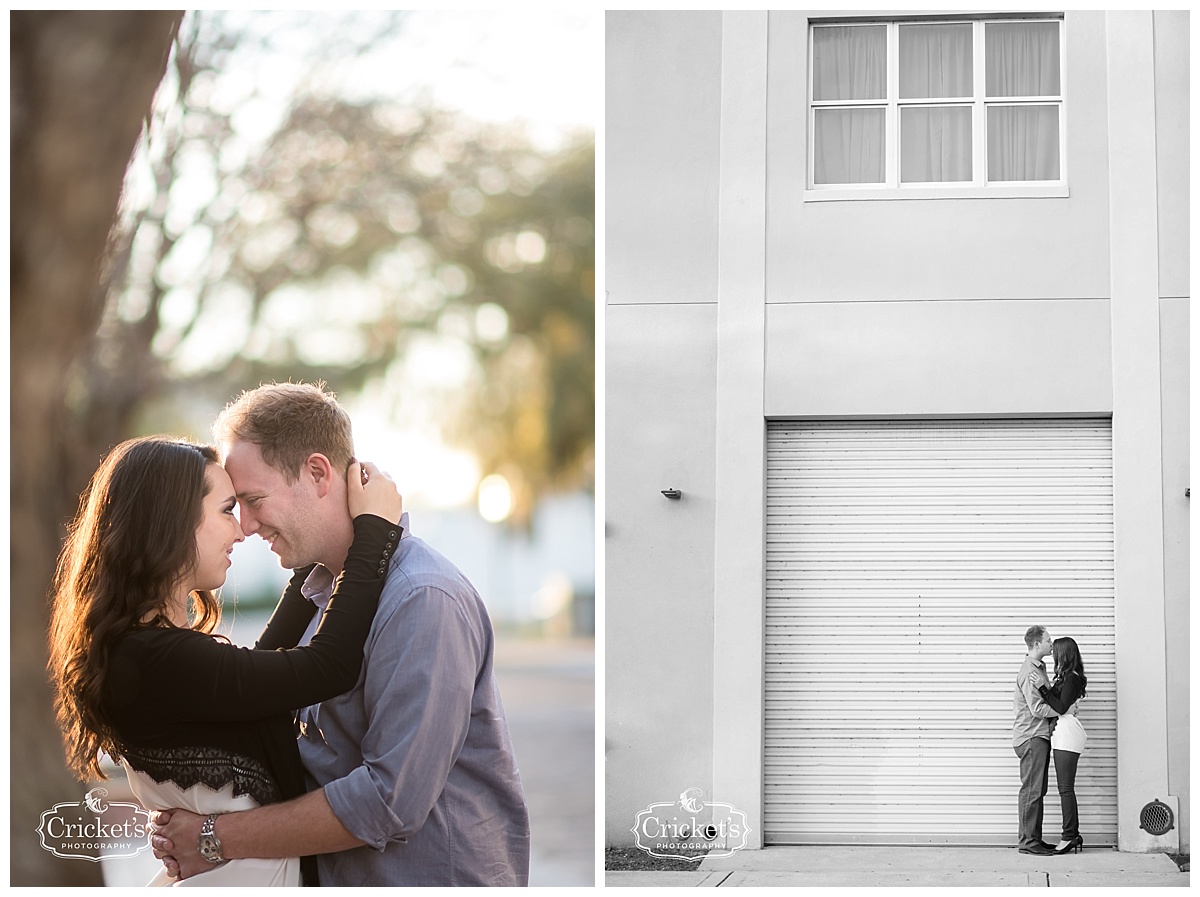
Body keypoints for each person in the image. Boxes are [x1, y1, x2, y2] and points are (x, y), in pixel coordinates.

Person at [151, 382, 531, 885]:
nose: (244, 525)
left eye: (253, 499)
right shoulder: (319, 596)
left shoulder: (421, 597)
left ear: (317, 473)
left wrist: (215, 838)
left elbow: (388, 802)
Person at [47, 435, 404, 886]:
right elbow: (326, 666)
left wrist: (320, 539)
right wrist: (374, 532)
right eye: (226, 510)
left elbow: (263, 676)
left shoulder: (143, 653)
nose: (240, 530)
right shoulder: (159, 658)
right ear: (171, 523)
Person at [1030, 636, 1088, 855]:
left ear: (1064, 654)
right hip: (1062, 732)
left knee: (1065, 788)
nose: (1052, 655)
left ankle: (1070, 836)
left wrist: (1043, 689)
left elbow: (1061, 707)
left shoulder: (1072, 678)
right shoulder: (1067, 678)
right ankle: (1072, 834)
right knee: (1064, 788)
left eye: (1055, 652)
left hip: (1067, 732)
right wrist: (1046, 688)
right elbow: (1059, 703)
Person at [1013, 624, 1060, 856]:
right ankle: (1028, 842)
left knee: (1037, 790)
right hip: (1031, 737)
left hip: (1037, 736)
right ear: (1036, 644)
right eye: (1049, 640)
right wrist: (1064, 709)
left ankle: (1034, 839)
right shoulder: (1030, 671)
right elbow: (1038, 708)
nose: (1052, 644)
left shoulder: (1039, 669)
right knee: (1032, 791)